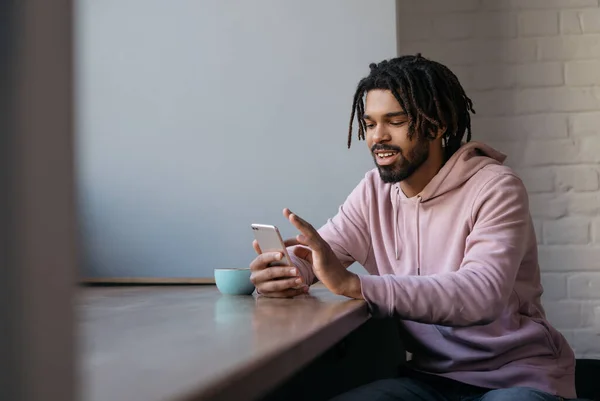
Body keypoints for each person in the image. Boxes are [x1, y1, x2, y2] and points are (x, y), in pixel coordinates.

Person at [249, 54, 577, 401]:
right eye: (371, 123)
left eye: (396, 121)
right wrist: (289, 272)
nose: (379, 137)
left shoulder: (495, 187)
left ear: (438, 125)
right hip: (429, 380)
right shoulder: (374, 192)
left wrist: (354, 285)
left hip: (517, 379)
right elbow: (324, 253)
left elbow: (482, 295)